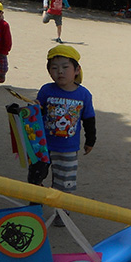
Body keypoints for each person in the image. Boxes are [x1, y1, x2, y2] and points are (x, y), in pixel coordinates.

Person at [28, 45, 96, 226]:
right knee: (36, 177)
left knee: (63, 181)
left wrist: (90, 140)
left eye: (65, 67)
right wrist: (34, 107)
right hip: (42, 145)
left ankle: (62, 211)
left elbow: (89, 119)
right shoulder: (46, 90)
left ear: (76, 70)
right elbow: (36, 114)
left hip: (67, 149)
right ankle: (34, 206)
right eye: (54, 68)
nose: (59, 72)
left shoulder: (83, 94)